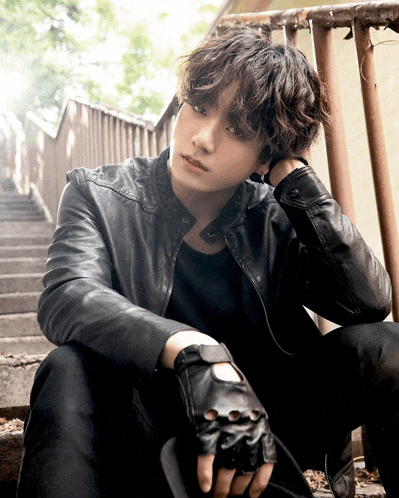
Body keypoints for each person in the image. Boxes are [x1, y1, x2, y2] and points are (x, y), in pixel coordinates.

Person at [17, 25, 399, 498]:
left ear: (268, 150)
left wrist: (294, 178)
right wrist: (195, 352)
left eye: (238, 130)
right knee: (67, 367)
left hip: (271, 425)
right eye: (199, 107)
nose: (202, 139)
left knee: (390, 346)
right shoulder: (99, 193)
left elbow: (366, 302)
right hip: (149, 421)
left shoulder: (277, 211)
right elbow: (68, 296)